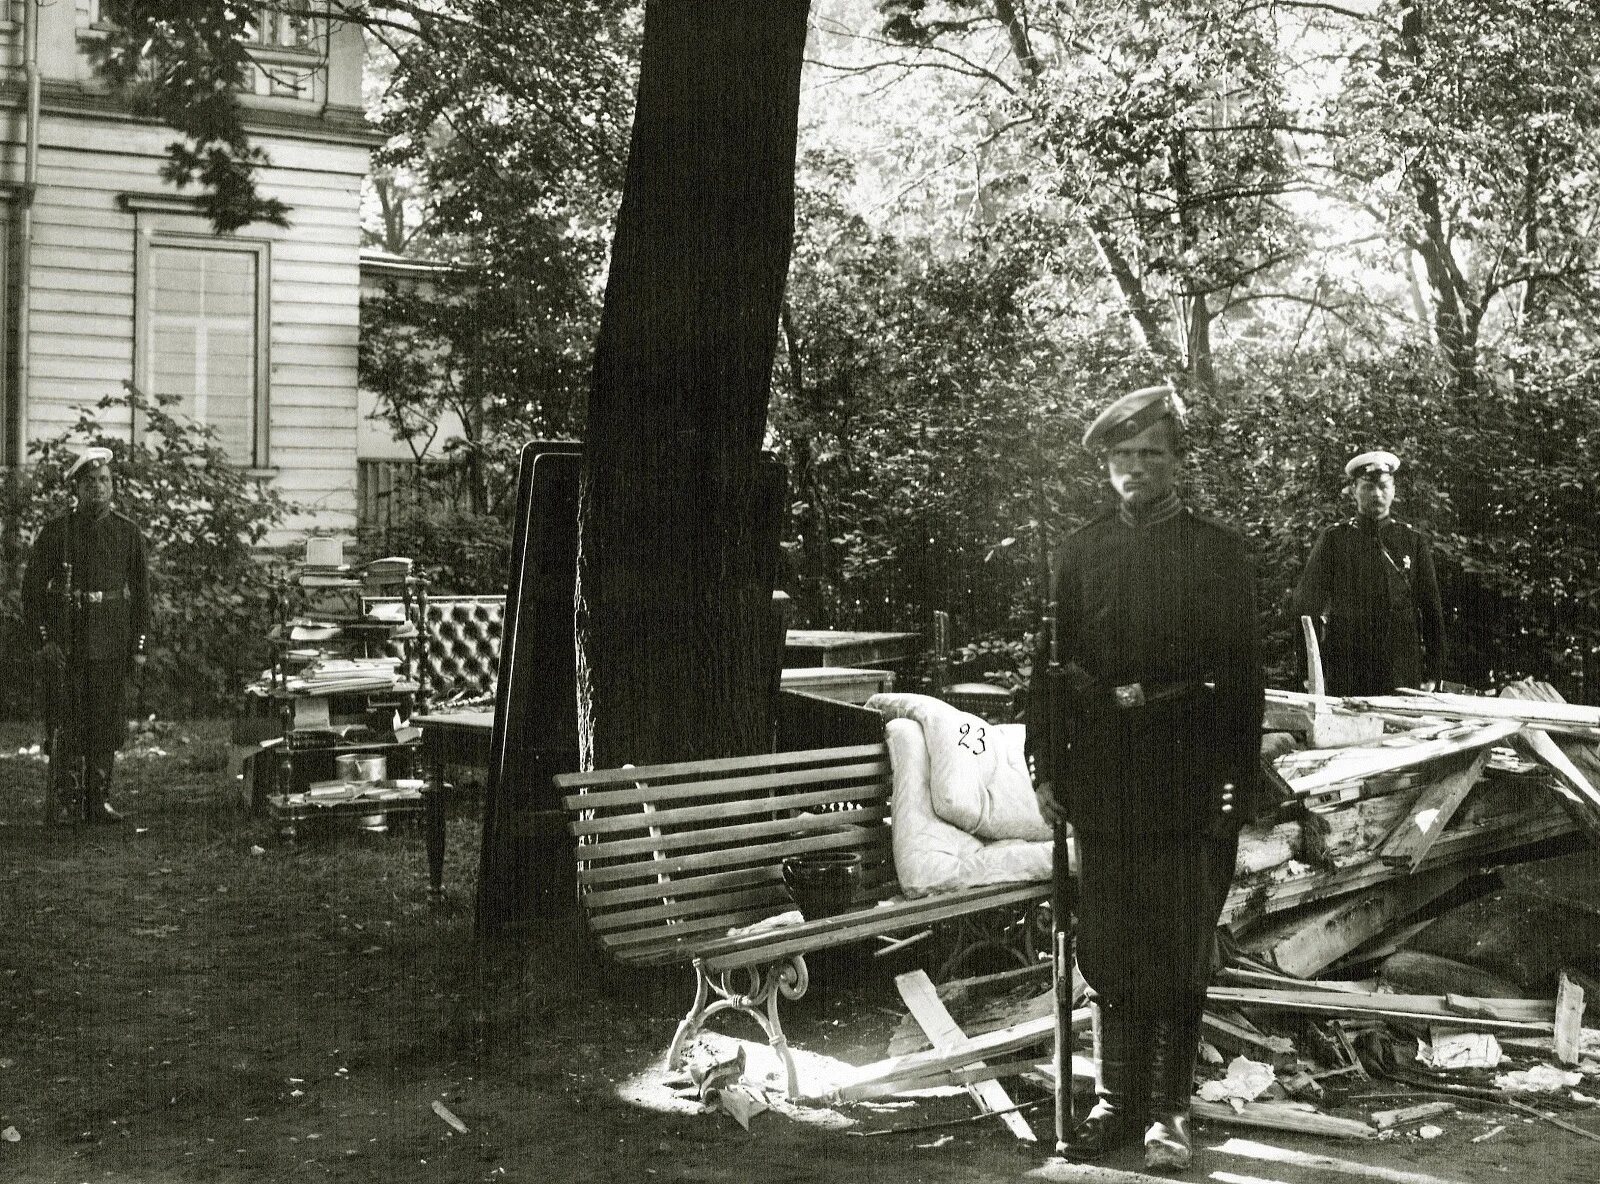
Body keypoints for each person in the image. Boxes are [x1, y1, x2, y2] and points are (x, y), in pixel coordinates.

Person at [1028, 384, 1264, 1170]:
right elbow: (1050, 668)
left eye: (1150, 455)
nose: (1135, 469)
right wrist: (1046, 764)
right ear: (1106, 466)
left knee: (1177, 948)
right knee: (1106, 946)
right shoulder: (1081, 550)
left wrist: (1233, 781)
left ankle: (1168, 1113)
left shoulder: (1216, 551)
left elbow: (1242, 680)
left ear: (1177, 462)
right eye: (1122, 457)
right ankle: (1111, 1099)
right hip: (1103, 780)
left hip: (1187, 778)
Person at [21, 446, 151, 823]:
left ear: (113, 487)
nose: (98, 488)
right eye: (90, 482)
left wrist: (139, 645)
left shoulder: (127, 532)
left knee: (106, 721)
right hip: (69, 641)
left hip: (111, 640)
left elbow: (142, 595)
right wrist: (44, 640)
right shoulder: (58, 532)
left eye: (104, 481)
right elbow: (31, 591)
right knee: (68, 719)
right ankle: (65, 796)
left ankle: (97, 799)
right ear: (76, 488)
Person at [1289, 450, 1445, 696]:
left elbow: (1431, 609)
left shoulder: (1411, 541)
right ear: (1354, 490)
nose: (1377, 494)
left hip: (1401, 670)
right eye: (1368, 487)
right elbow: (1306, 607)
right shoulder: (1335, 539)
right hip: (1348, 670)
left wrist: (1434, 671)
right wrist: (1309, 672)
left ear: (1393, 489)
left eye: (1383, 486)